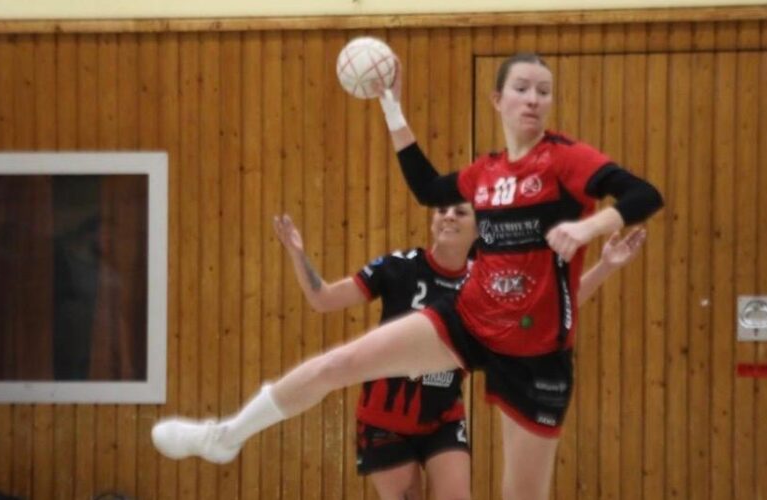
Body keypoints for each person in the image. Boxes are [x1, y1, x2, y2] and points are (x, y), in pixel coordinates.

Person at [153, 52, 663, 500]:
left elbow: (644, 194)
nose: (534, 99)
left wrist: (591, 226)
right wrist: (391, 106)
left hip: (538, 352)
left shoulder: (566, 159)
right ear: (498, 99)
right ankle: (225, 436)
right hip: (474, 317)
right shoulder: (484, 173)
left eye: (544, 92)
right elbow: (427, 187)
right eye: (522, 88)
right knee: (340, 363)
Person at [270, 205, 645, 500]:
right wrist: (297, 254)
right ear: (433, 221)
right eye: (442, 210)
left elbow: (550, 309)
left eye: (461, 212)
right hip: (385, 418)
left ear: (478, 230)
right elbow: (323, 298)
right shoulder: (399, 266)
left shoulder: (486, 284)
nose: (448, 216)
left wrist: (604, 268)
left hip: (442, 416)